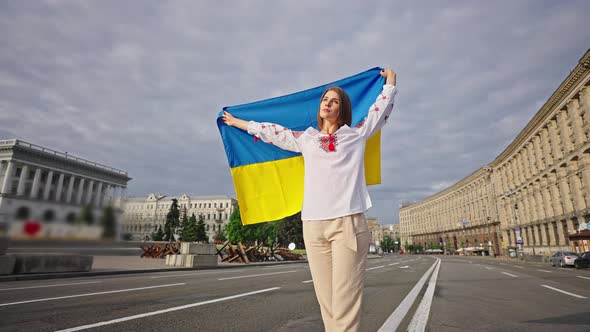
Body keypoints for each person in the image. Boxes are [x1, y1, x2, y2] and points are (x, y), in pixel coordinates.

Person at [222, 68, 397, 332]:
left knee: (345, 302)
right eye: (325, 99)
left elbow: (380, 110)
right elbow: (274, 132)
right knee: (327, 302)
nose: (327, 103)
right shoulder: (307, 139)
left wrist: (390, 83)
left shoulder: (356, 135)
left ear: (342, 109)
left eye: (334, 100)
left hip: (347, 223)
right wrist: (239, 123)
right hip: (313, 227)